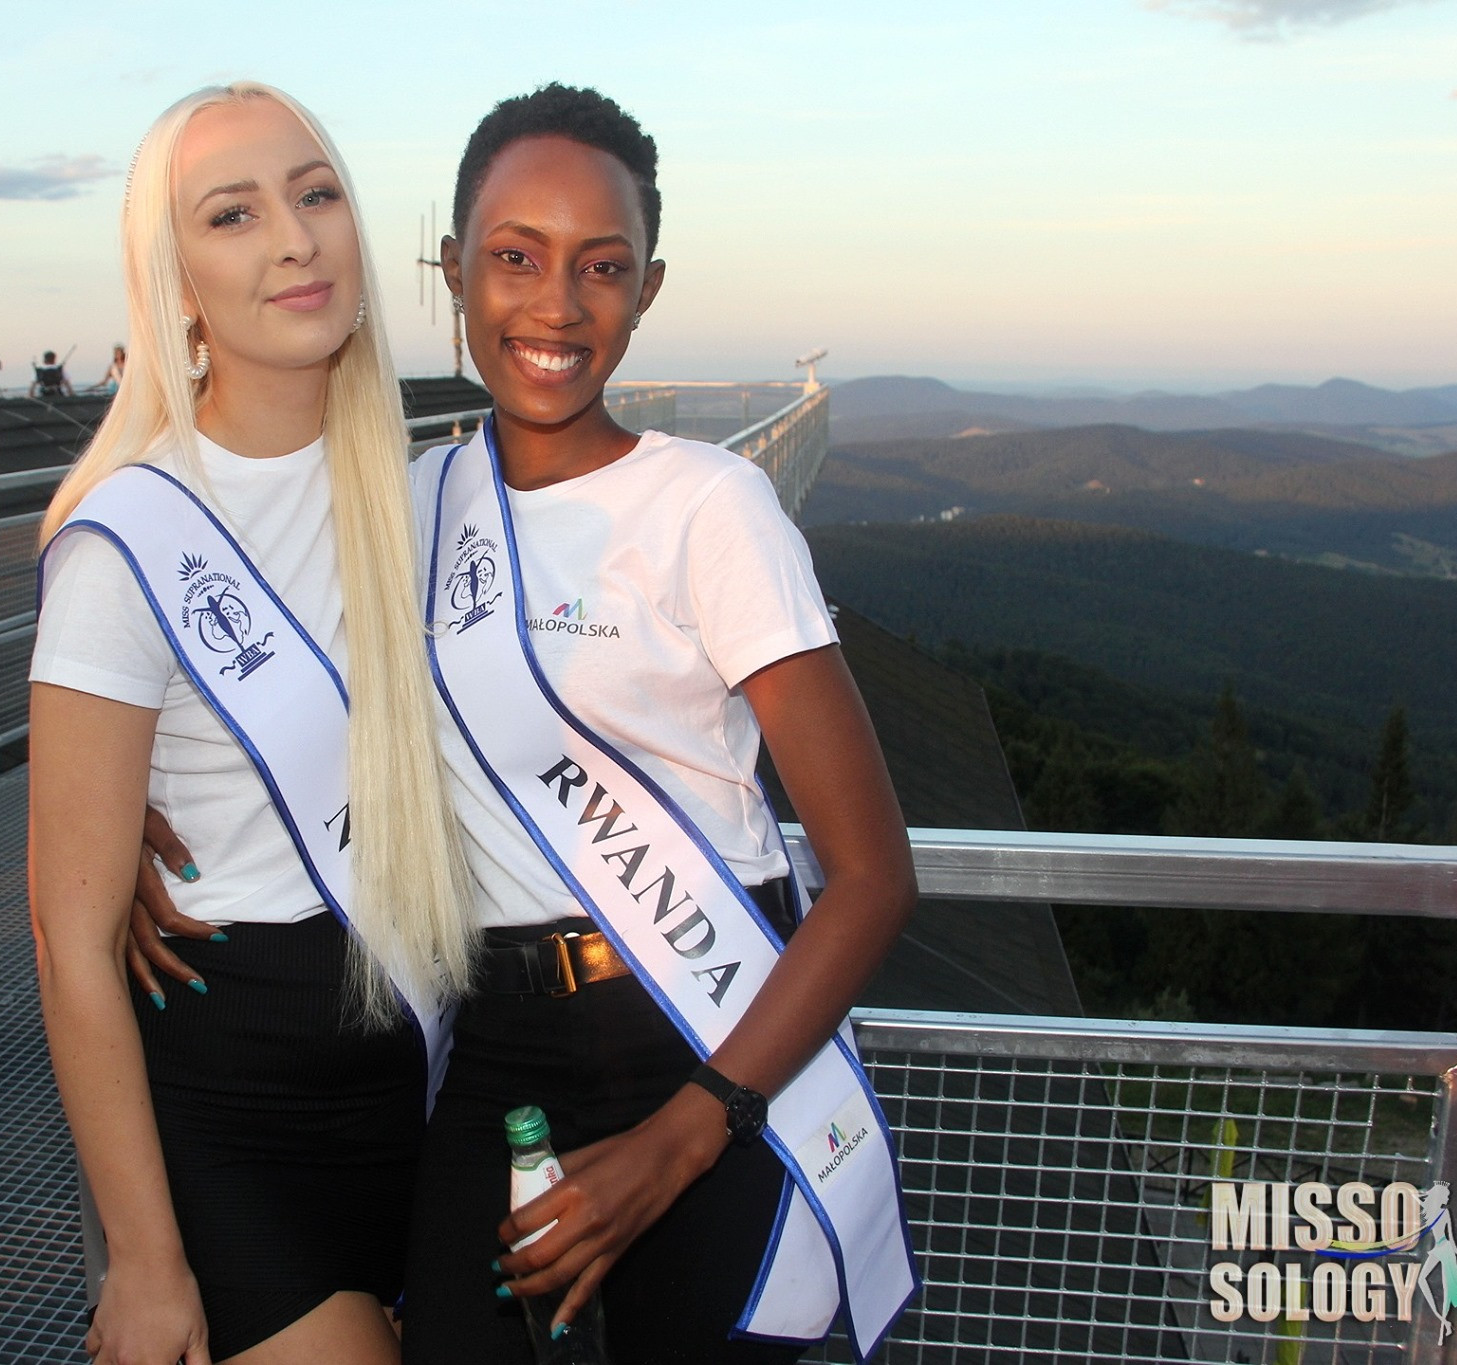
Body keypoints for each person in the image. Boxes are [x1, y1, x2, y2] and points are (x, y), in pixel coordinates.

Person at [400, 84, 919, 1364]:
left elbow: (870, 876)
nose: (556, 305)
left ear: (647, 289)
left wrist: (682, 1137)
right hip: (492, 1050)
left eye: (602, 267)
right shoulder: (406, 507)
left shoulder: (711, 506)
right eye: (514, 258)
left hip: (704, 1039)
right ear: (453, 272)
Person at [29, 82, 474, 1365]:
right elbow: (67, 939)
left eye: (316, 193)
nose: (295, 237)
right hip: (233, 1095)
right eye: (234, 214)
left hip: (424, 1063)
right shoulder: (126, 539)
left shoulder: (429, 495)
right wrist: (147, 1257)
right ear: (173, 284)